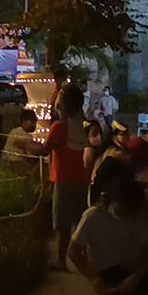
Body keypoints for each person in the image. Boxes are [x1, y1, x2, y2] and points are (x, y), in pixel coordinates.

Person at [40, 84, 92, 268]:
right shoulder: (84, 126)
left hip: (63, 178)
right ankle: (85, 259)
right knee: (79, 221)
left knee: (62, 223)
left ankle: (61, 260)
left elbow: (44, 149)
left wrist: (23, 146)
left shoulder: (59, 127)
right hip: (82, 179)